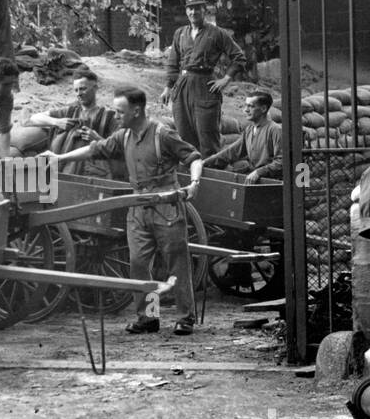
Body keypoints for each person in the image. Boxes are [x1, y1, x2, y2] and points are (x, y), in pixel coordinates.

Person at [41, 86, 204, 336]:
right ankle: (149, 317)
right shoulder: (123, 136)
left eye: (120, 111)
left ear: (136, 111)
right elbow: (96, 149)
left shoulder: (163, 134)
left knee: (176, 263)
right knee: (139, 264)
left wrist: (194, 183)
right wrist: (60, 159)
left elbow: (194, 157)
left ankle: (185, 317)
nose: (116, 116)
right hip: (138, 206)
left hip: (166, 205)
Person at [160, 0, 245, 157]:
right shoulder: (180, 33)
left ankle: (212, 177)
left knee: (208, 137)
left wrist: (225, 79)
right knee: (184, 136)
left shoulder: (217, 33)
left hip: (205, 87)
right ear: (186, 11)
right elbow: (172, 63)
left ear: (205, 10)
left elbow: (239, 58)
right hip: (182, 87)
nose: (193, 12)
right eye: (190, 8)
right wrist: (168, 87)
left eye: (197, 8)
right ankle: (192, 177)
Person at [27, 68, 122, 179]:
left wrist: (97, 138)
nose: (79, 94)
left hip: (92, 174)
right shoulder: (70, 112)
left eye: (82, 89)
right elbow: (34, 118)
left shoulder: (109, 117)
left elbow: (118, 150)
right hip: (63, 169)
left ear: (95, 88)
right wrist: (57, 122)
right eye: (76, 90)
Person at [203, 89, 283, 184]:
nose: (246, 110)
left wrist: (259, 172)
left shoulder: (275, 130)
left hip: (270, 182)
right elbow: (232, 152)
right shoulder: (249, 130)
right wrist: (204, 162)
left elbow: (281, 162)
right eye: (246, 105)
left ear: (263, 109)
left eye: (251, 106)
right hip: (254, 178)